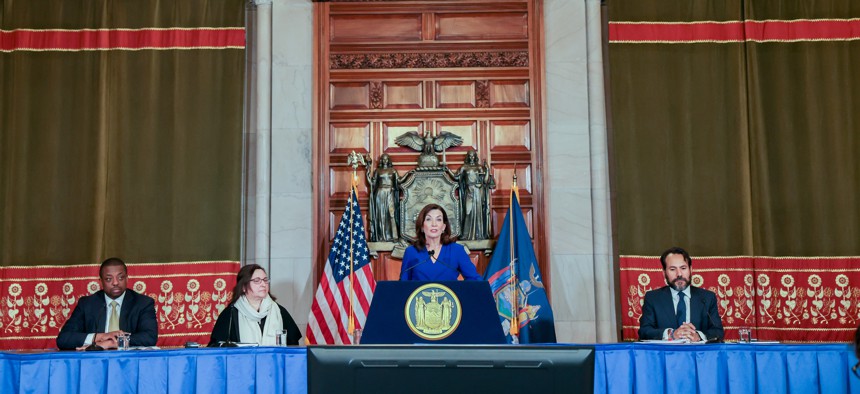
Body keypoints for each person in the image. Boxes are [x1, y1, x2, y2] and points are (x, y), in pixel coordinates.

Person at [56, 257, 158, 350]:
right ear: (101, 281)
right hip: (95, 363)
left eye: (120, 278)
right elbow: (63, 339)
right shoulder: (87, 304)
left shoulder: (142, 303)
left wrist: (112, 343)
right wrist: (100, 337)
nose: (115, 283)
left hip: (129, 363)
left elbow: (150, 337)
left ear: (127, 278)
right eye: (109, 279)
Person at [638, 247, 724, 342]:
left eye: (683, 268)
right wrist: (671, 334)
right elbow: (644, 331)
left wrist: (698, 336)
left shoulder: (707, 298)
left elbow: (718, 331)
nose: (679, 274)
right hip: (665, 355)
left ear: (690, 270)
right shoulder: (653, 298)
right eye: (672, 269)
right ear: (664, 273)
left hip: (698, 355)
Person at [208, 264, 302, 346]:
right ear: (244, 287)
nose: (263, 284)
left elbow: (293, 347)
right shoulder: (230, 314)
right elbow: (217, 348)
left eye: (265, 280)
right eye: (257, 280)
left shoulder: (279, 311)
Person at [399, 204, 482, 281]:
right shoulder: (411, 252)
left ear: (443, 227)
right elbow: (403, 285)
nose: (434, 224)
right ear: (422, 226)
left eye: (438, 219)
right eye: (428, 219)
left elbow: (474, 280)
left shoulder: (457, 251)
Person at [456, 149, 495, 240]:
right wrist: (447, 170)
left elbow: (485, 181)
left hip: (478, 191)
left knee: (478, 212)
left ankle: (478, 234)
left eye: (473, 155)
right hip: (468, 191)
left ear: (475, 157)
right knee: (467, 211)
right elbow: (456, 177)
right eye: (470, 155)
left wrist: (487, 170)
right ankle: (465, 235)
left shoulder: (479, 167)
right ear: (467, 157)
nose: (471, 157)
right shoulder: (464, 167)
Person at [365, 153, 400, 242]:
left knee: (391, 214)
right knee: (381, 215)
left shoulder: (393, 171)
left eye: (386, 159)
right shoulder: (377, 171)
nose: (385, 161)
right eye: (383, 159)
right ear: (381, 160)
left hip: (389, 193)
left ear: (389, 160)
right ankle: (381, 236)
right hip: (380, 194)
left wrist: (408, 176)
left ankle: (393, 236)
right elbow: (372, 183)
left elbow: (398, 183)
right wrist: (368, 170)